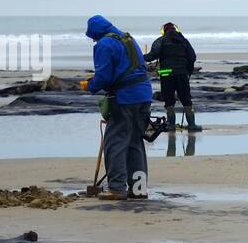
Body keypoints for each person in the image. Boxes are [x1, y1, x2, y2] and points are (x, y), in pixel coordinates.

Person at [83, 15, 153, 201]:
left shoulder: (105, 44)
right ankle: (139, 189)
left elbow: (104, 76)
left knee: (115, 142)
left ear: (95, 32)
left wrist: (89, 85)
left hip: (125, 98)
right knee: (135, 142)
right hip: (144, 95)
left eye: (92, 36)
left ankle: (116, 188)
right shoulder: (127, 39)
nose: (93, 40)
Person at [144, 22, 201, 132]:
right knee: (186, 99)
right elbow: (192, 57)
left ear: (163, 31)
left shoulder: (160, 40)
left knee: (168, 100)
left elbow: (152, 56)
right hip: (182, 74)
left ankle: (170, 126)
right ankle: (192, 125)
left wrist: (139, 57)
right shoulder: (183, 40)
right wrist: (188, 71)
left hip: (166, 74)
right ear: (176, 29)